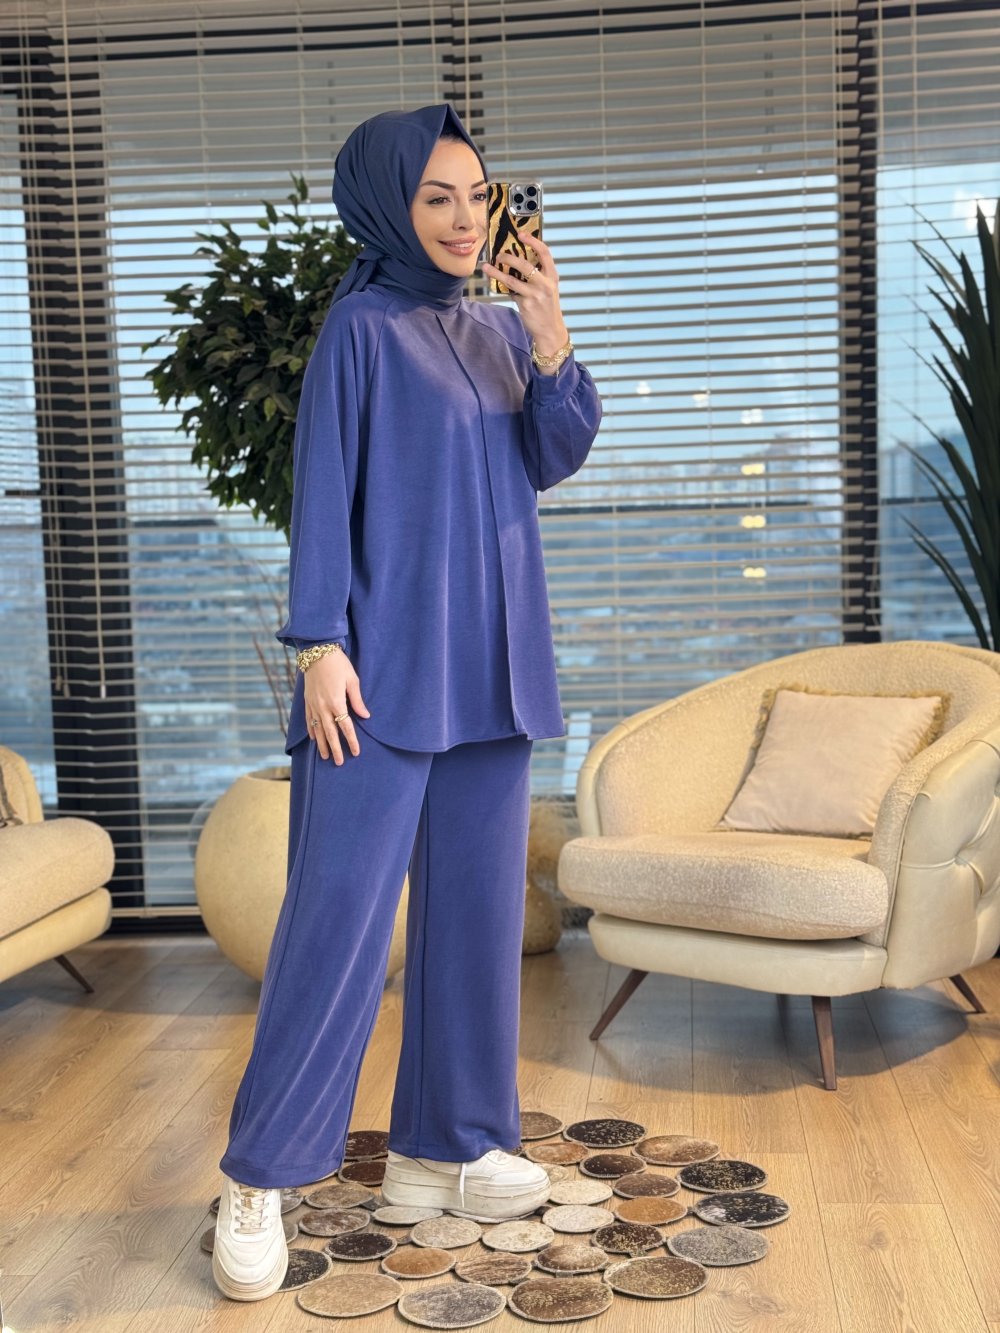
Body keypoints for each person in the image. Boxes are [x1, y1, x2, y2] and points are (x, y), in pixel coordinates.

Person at [211, 101, 602, 1302]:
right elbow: (322, 488)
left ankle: (450, 1147)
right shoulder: (359, 330)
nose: (462, 218)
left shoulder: (492, 330)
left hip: (492, 669)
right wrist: (319, 642)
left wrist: (549, 338)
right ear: (388, 202)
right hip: (374, 676)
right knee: (333, 929)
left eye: (476, 196)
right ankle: (259, 1175)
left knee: (477, 921)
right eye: (437, 197)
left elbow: (555, 455)